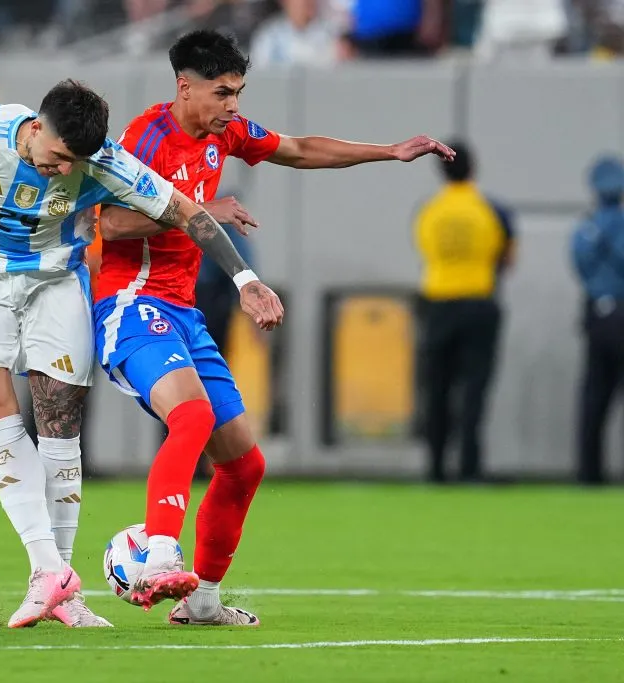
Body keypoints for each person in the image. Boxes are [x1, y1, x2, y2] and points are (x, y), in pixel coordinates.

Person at [0, 79, 283, 629]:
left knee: (60, 424)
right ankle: (47, 570)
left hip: (56, 283)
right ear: (37, 127)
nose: (64, 170)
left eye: (77, 162)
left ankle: (64, 590)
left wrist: (246, 279)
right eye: (59, 157)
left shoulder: (108, 164)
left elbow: (191, 215)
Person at [93, 29, 454, 624]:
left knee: (244, 464)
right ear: (185, 88)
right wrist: (197, 214)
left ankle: (202, 601)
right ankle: (159, 553)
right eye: (222, 92)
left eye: (238, 92)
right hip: (130, 303)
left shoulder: (224, 133)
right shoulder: (145, 137)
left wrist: (388, 151)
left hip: (182, 310)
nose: (233, 105)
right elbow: (110, 223)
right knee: (192, 416)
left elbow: (300, 148)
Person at [414, 140, 515, 484]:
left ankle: (436, 468)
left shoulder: (428, 210)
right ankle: (470, 468)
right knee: (474, 389)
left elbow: (425, 250)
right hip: (479, 303)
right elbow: (508, 258)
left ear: (441, 170)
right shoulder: (493, 209)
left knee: (436, 389)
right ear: (473, 168)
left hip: (438, 304)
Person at [571, 155, 624, 485]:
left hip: (596, 313)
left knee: (594, 396)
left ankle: (589, 474)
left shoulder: (586, 228)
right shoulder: (619, 225)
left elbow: (580, 265)